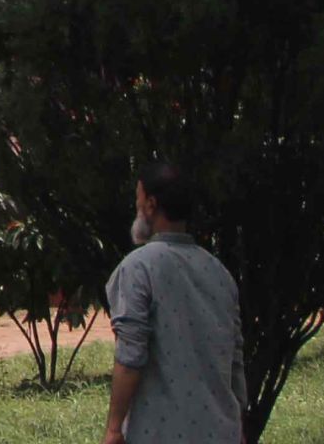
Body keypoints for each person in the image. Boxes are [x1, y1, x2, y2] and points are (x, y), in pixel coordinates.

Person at [104, 159, 243, 444]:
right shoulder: (219, 273)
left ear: (151, 205)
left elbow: (130, 356)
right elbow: (235, 360)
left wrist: (114, 428)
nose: (137, 207)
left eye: (138, 199)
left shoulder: (138, 268)